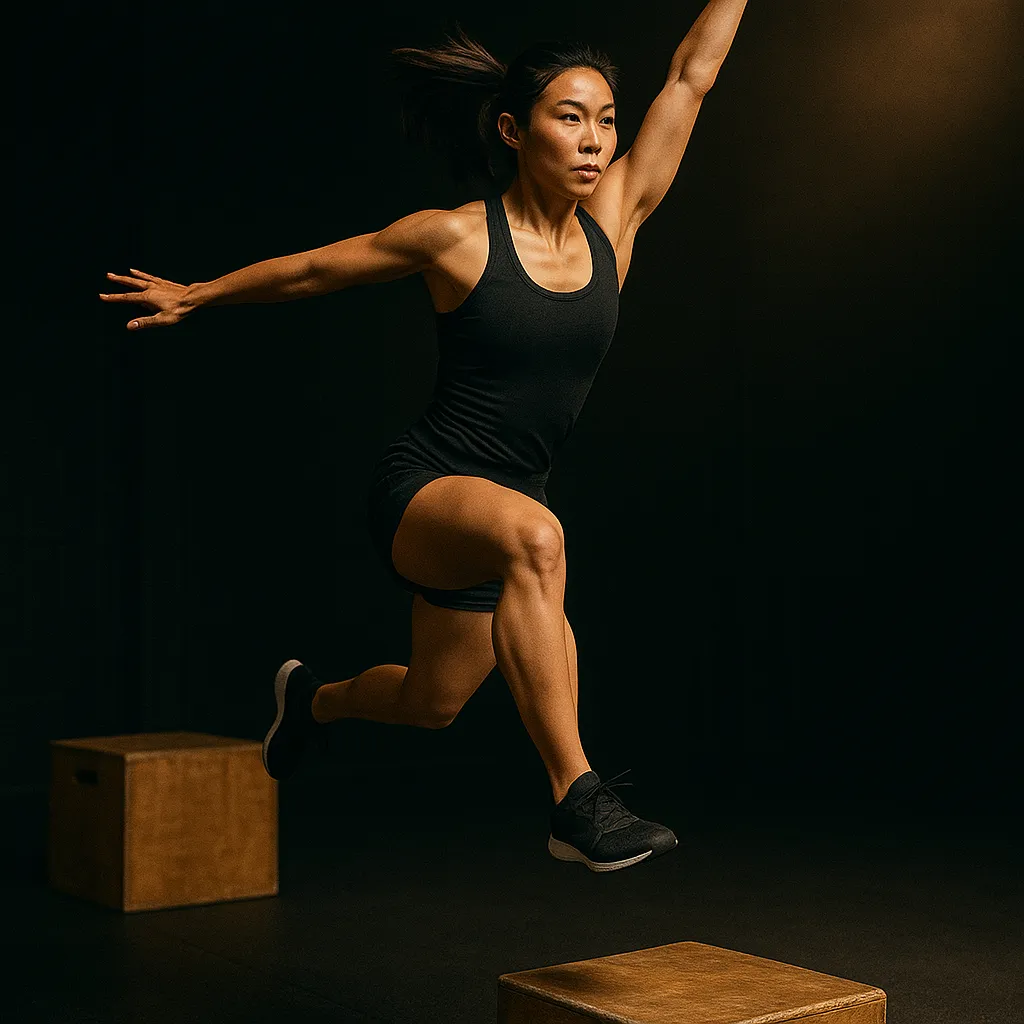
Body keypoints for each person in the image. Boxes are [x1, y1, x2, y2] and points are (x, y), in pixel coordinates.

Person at [99, 2, 750, 873]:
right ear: (514, 130)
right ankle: (576, 801)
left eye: (605, 121)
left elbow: (691, 77)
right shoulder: (457, 237)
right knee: (538, 539)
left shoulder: (615, 222)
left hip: (509, 509)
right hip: (424, 491)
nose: (595, 141)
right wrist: (199, 293)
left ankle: (312, 703)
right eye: (570, 118)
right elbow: (316, 269)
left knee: (430, 701)